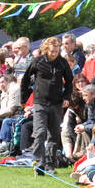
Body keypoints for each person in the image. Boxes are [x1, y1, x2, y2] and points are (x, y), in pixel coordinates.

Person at [20, 36, 73, 175]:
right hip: (40, 102)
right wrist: (24, 99)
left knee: (54, 135)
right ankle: (39, 162)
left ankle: (50, 163)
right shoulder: (37, 62)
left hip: (56, 103)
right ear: (46, 50)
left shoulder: (62, 63)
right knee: (40, 132)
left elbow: (69, 81)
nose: (54, 54)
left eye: (57, 51)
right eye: (52, 51)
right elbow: (25, 80)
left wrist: (67, 97)